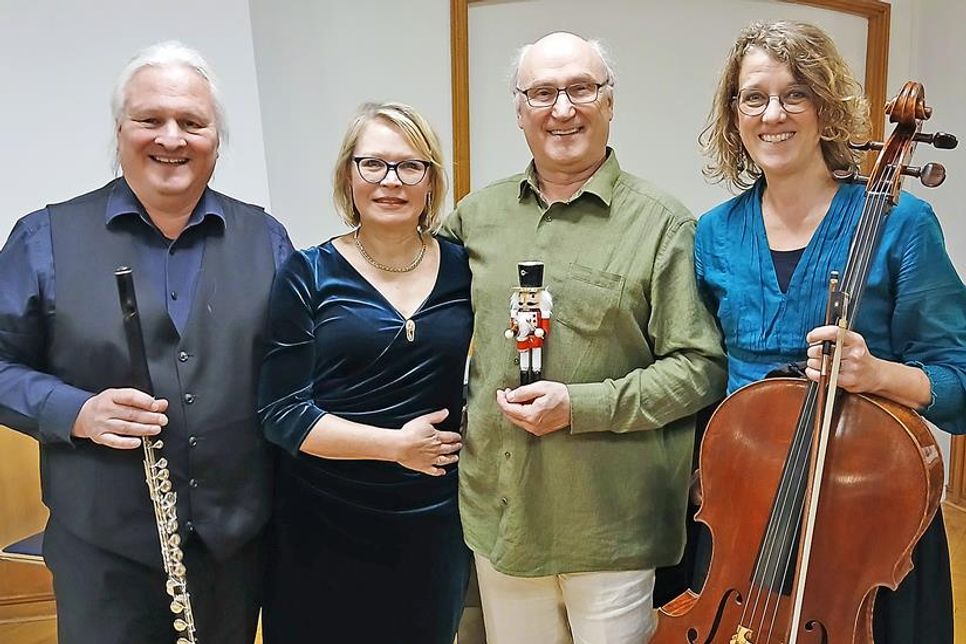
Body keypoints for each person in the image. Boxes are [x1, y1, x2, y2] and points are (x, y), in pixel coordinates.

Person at [0, 41, 293, 643]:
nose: (171, 138)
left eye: (192, 122)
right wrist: (75, 411)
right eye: (150, 119)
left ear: (216, 138)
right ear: (119, 130)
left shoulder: (266, 239)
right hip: (103, 552)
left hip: (231, 550)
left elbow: (295, 378)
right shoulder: (41, 238)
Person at [442, 31, 727, 643]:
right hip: (501, 513)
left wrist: (580, 405)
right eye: (543, 92)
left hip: (611, 523)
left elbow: (698, 366)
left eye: (581, 89)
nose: (563, 108)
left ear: (609, 102)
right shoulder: (474, 218)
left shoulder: (662, 223)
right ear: (520, 111)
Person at [694, 20, 965, 643]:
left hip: (867, 520)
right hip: (746, 514)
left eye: (796, 94)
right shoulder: (713, 232)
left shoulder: (903, 223)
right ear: (733, 113)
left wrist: (877, 374)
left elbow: (960, 381)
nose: (773, 114)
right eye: (754, 96)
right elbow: (704, 370)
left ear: (826, 107)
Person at [257, 101, 472, 644]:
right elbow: (281, 415)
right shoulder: (307, 271)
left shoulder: (465, 267)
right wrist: (396, 447)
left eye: (409, 166)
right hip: (322, 520)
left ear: (431, 180)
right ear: (348, 177)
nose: (390, 181)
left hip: (431, 521)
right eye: (372, 164)